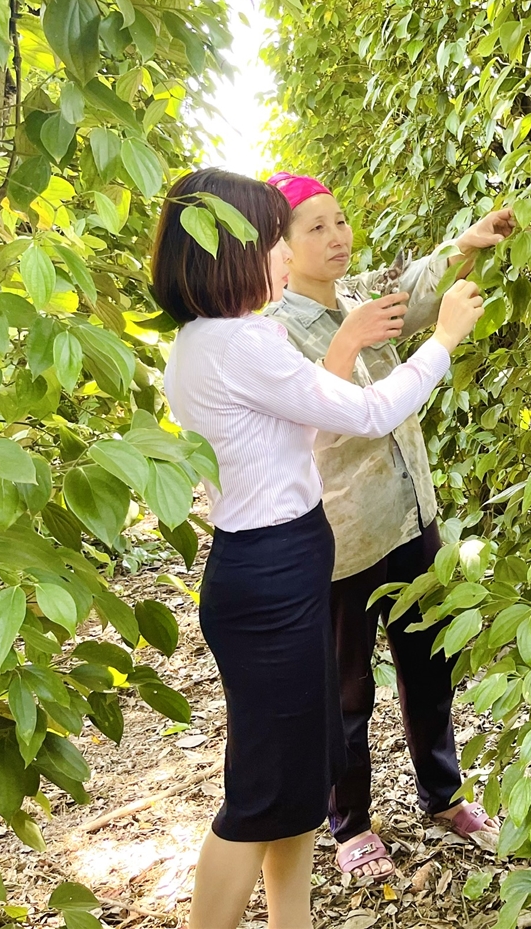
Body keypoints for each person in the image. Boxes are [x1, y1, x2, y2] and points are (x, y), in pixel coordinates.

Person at [150, 168, 484, 929]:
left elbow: (297, 429)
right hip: (270, 576)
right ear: (232, 252)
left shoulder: (216, 340)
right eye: (274, 237)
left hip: (273, 563)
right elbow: (370, 411)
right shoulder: (242, 343)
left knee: (294, 783)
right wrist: (443, 340)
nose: (283, 252)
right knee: (260, 796)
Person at [263, 172, 513, 881]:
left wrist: (466, 246)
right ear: (280, 248)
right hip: (340, 540)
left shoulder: (355, 294)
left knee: (430, 668)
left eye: (339, 221)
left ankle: (444, 794)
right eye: (314, 228)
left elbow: (416, 287)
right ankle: (350, 824)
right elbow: (309, 424)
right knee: (345, 691)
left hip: (409, 517)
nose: (337, 236)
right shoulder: (276, 333)